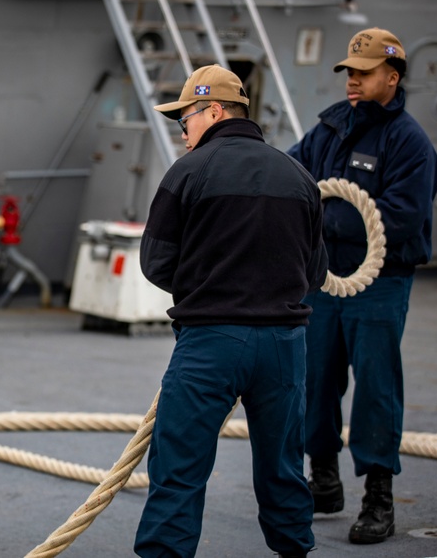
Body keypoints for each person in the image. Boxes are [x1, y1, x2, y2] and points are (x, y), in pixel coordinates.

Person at [134, 64, 328, 558]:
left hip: (211, 343)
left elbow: (156, 262)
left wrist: (208, 289)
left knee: (179, 467)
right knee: (284, 468)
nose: (183, 133)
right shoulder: (299, 176)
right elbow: (315, 271)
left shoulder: (188, 172)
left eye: (185, 121)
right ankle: (294, 551)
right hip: (284, 347)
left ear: (213, 111)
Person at [286, 27, 437, 545]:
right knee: (315, 374)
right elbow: (294, 175)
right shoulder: (328, 130)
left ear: (391, 78)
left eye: (364, 72)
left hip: (380, 281)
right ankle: (324, 479)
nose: (352, 80)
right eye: (349, 71)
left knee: (376, 385)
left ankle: (379, 496)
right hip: (325, 278)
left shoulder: (410, 144)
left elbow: (398, 217)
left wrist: (324, 218)